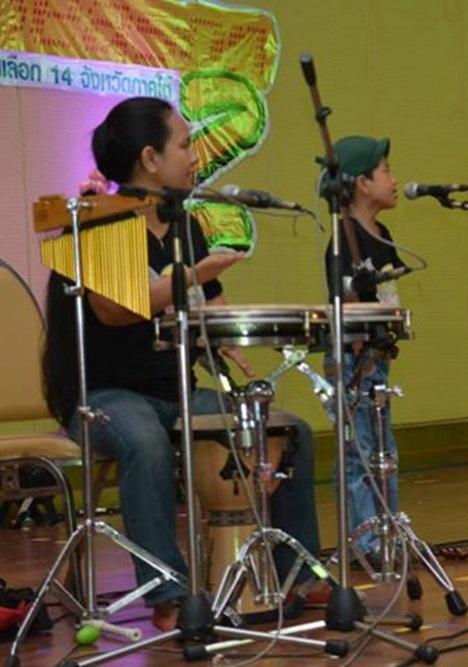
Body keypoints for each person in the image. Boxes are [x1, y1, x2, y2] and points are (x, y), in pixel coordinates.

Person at [41, 97, 322, 630]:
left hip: (177, 393)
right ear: (150, 158)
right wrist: (193, 276)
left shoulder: (186, 227)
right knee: (145, 441)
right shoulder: (100, 220)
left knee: (288, 430)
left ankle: (296, 577)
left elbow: (213, 308)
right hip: (103, 397)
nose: (195, 158)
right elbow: (116, 309)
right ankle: (167, 593)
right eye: (185, 145)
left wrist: (243, 336)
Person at [323, 135, 406, 565]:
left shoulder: (382, 234)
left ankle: (389, 531)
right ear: (361, 183)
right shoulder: (343, 237)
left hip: (378, 359)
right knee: (358, 452)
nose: (394, 179)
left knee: (383, 451)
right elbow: (343, 302)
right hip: (354, 360)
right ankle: (365, 539)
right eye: (385, 170)